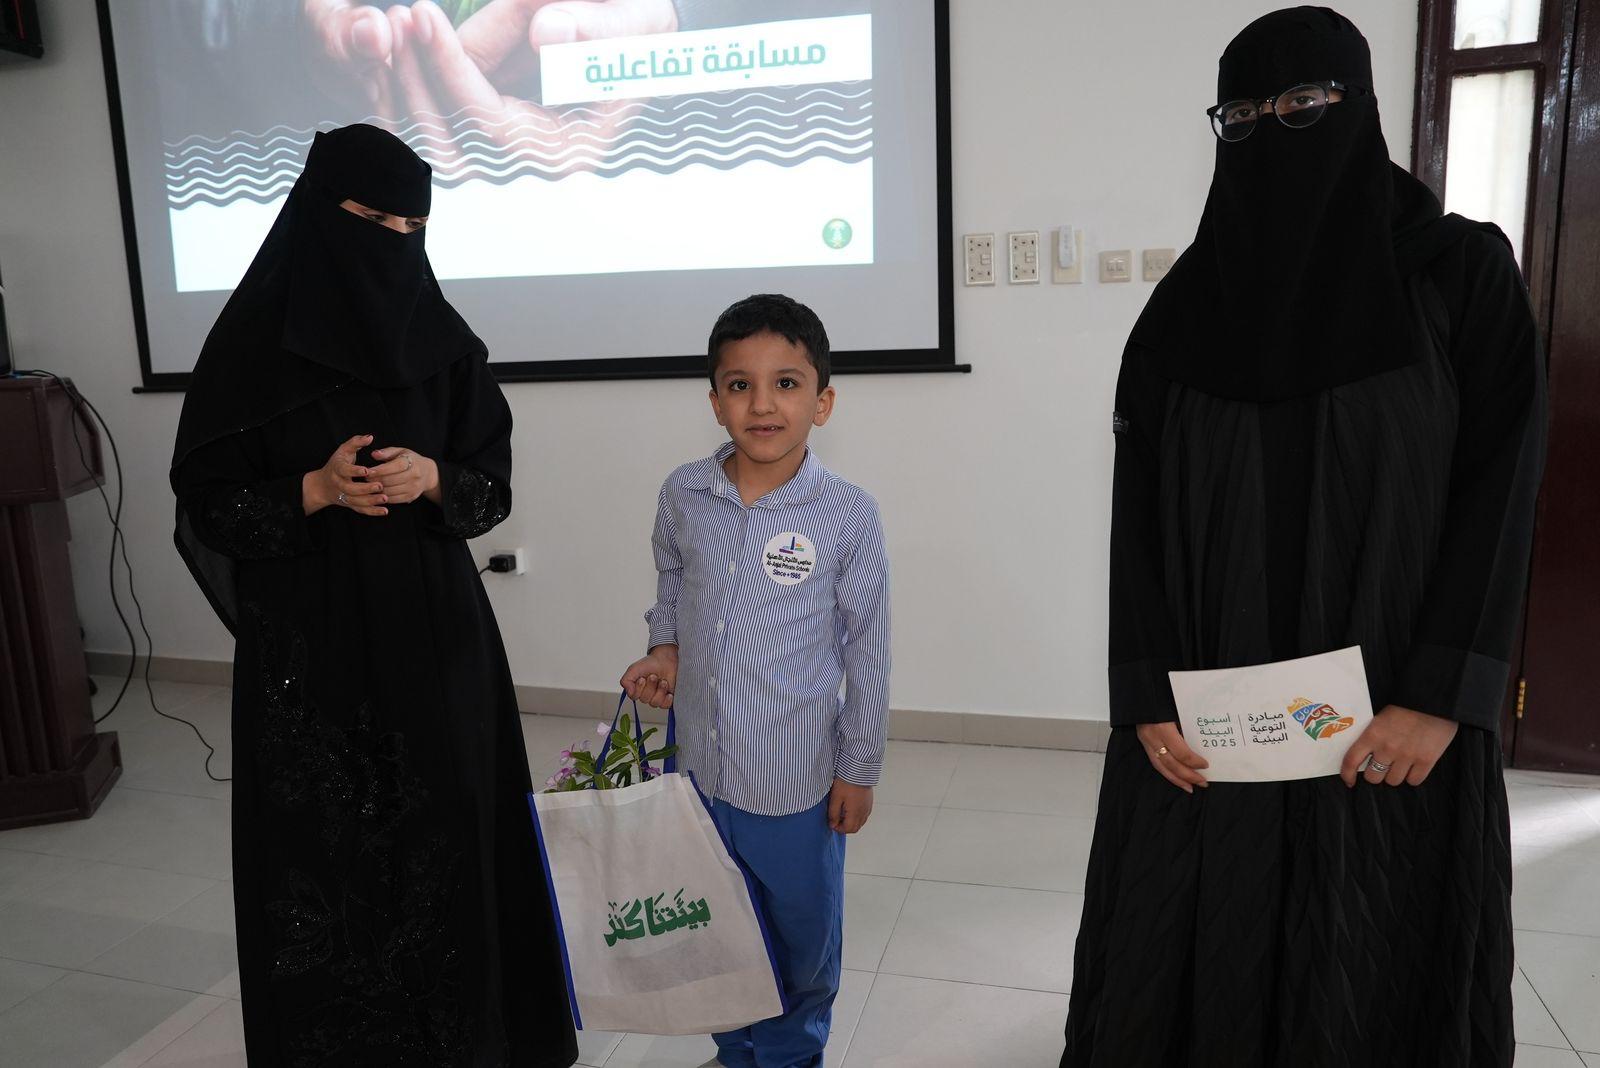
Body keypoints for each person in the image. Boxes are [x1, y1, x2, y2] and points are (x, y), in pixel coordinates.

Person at [1062, 8, 1546, 1068]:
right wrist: (1142, 693)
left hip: (1391, 711)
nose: (1268, 130)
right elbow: (1136, 514)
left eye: (1300, 105)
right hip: (1212, 714)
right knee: (1196, 949)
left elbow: (1499, 492)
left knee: (1368, 944)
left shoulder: (1458, 277)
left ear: (1358, 109)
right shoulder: (1181, 309)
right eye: (1240, 115)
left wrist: (1439, 695)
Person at [169, 124, 577, 1068]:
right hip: (309, 649)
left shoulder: (444, 343)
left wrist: (434, 478)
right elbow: (209, 508)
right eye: (372, 217)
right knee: (324, 849)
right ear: (319, 212)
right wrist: (312, 491)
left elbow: (489, 486)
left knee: (452, 831)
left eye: (411, 225)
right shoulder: (248, 349)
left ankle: (468, 1040)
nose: (393, 240)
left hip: (435, 633)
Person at [620, 294, 891, 1068]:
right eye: (740, 385)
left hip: (795, 781)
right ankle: (735, 1051)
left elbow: (869, 650)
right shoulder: (684, 493)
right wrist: (664, 650)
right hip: (700, 772)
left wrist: (858, 768)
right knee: (717, 930)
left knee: (802, 940)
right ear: (715, 401)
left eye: (787, 384)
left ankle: (789, 1056)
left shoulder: (848, 513)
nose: (762, 404)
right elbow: (673, 585)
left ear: (823, 402)